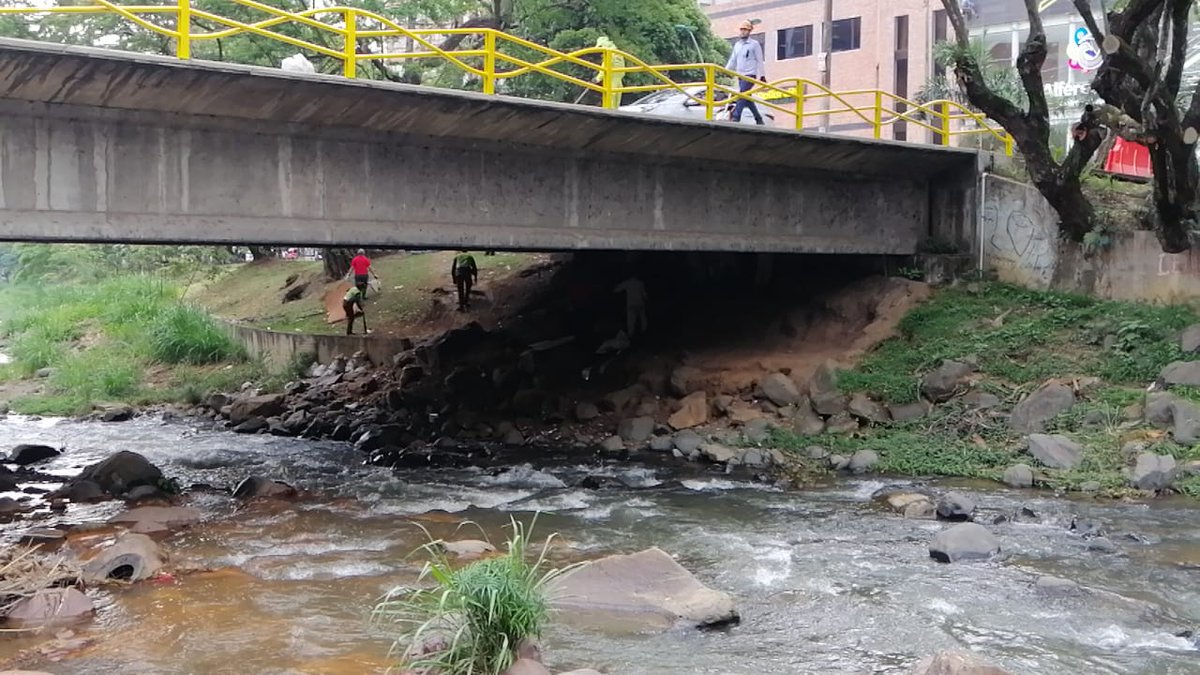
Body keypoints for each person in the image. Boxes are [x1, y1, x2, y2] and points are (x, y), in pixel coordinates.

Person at [725, 20, 766, 125]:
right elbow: (733, 59)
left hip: (750, 75)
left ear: (749, 31)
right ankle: (758, 118)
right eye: (742, 30)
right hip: (740, 75)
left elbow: (760, 60)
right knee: (747, 97)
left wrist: (762, 75)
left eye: (745, 30)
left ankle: (736, 117)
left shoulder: (754, 44)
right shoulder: (737, 45)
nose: (743, 32)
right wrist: (725, 70)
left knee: (742, 95)